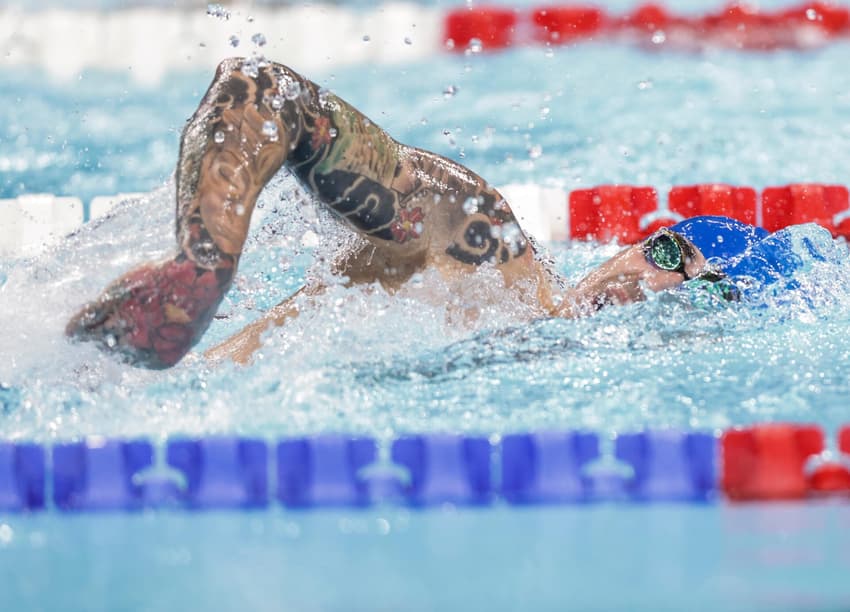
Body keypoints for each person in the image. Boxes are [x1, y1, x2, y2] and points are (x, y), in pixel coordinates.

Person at [65, 58, 766, 369]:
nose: (658, 287)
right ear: (639, 244)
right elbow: (268, 93)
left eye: (701, 295)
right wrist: (204, 261)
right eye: (669, 256)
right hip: (142, 388)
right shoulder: (480, 243)